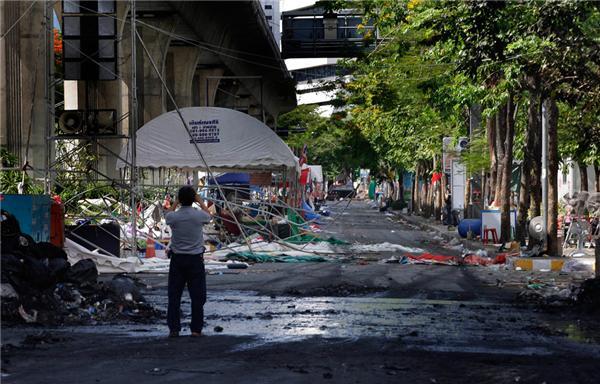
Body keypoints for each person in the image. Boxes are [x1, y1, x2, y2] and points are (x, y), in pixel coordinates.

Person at [165, 186, 212, 337]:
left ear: (179, 200)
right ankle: (196, 330)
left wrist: (175, 202)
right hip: (195, 259)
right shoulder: (198, 216)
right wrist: (200, 201)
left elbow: (168, 216)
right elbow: (209, 215)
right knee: (197, 296)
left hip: (177, 259)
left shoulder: (174, 217)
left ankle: (174, 328)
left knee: (174, 295)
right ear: (193, 199)